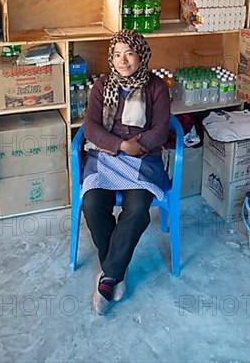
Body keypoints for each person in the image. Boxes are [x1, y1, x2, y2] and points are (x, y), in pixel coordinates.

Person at [82, 29, 171, 315]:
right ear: (111, 57)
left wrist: (139, 144)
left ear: (141, 55)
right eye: (117, 54)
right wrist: (120, 144)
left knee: (137, 210)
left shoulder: (156, 87)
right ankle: (116, 271)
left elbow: (160, 129)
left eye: (129, 53)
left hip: (142, 157)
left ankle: (109, 275)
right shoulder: (101, 86)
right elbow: (90, 128)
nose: (123, 60)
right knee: (93, 204)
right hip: (107, 153)